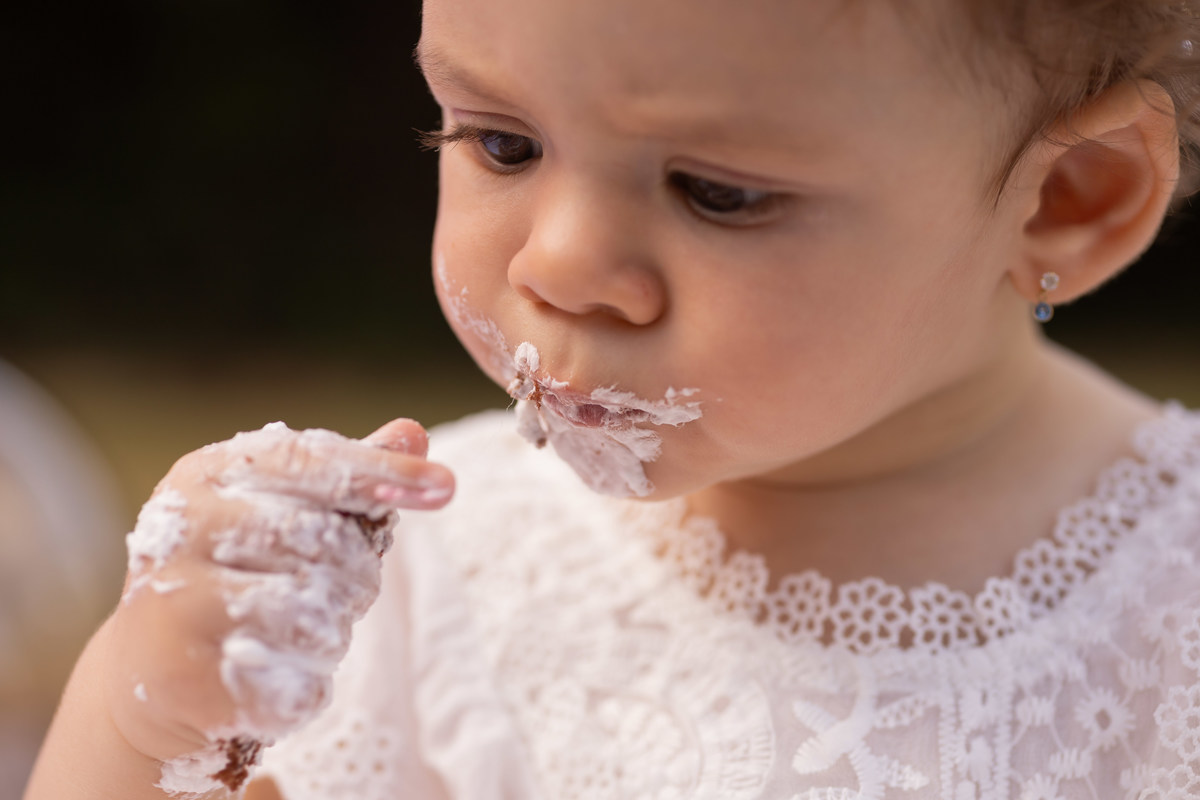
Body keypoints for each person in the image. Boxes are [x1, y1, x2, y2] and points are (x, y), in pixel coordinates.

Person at [24, 0, 1200, 797]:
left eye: (716, 191)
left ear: (1068, 198)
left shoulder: (1171, 610)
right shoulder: (418, 582)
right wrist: (141, 726)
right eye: (502, 143)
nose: (561, 265)